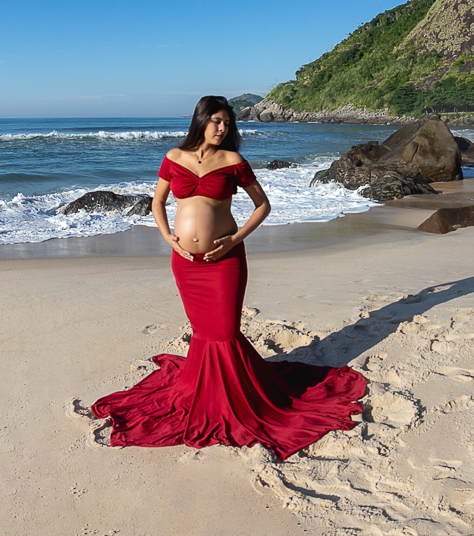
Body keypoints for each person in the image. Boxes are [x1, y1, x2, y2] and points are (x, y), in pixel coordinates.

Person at [91, 96, 366, 461]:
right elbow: (157, 202)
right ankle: (206, 393)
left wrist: (235, 240)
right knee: (204, 333)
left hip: (225, 262)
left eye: (227, 123)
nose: (222, 129)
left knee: (223, 333)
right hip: (185, 263)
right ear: (201, 120)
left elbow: (262, 205)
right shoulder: (174, 158)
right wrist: (167, 236)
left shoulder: (234, 162)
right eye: (216, 121)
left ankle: (234, 401)